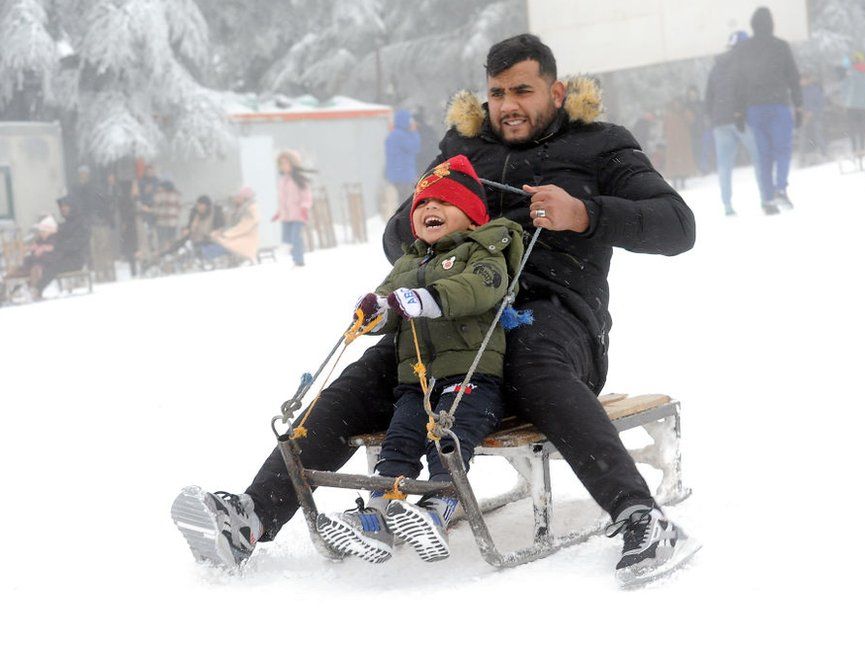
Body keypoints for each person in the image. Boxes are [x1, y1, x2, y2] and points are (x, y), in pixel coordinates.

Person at [172, 33, 696, 582]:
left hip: (555, 319)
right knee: (368, 374)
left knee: (531, 361)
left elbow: (677, 227)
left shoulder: (600, 144)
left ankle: (642, 518)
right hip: (453, 321)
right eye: (497, 93)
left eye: (523, 90)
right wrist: (441, 228)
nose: (508, 105)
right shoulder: (463, 150)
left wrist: (584, 213)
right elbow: (398, 234)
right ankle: (251, 518)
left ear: (557, 91)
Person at [316, 154, 523, 564]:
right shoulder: (408, 263)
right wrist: (376, 313)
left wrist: (431, 298)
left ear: (473, 215)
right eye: (423, 204)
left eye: (444, 203)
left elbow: (479, 289)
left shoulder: (485, 251)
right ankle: (374, 516)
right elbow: (389, 303)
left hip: (471, 378)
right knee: (399, 442)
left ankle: (439, 507)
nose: (431, 209)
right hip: (417, 383)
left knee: (447, 439)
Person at [732, 6, 803, 214]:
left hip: (755, 109)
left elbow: (738, 82)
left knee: (763, 155)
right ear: (771, 24)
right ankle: (780, 188)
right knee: (782, 149)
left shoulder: (744, 49)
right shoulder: (780, 46)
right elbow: (794, 78)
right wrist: (798, 106)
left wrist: (738, 111)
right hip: (778, 105)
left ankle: (767, 200)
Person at [705, 30, 763, 215]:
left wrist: (713, 117)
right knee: (759, 158)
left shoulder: (717, 66)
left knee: (724, 165)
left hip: (719, 120)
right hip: (741, 118)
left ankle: (727, 205)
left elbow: (708, 97)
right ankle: (766, 198)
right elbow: (751, 91)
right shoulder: (745, 62)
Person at [272, 150, 313, 267]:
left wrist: (304, 208)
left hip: (299, 214)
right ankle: (294, 257)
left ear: (293, 164)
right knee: (287, 240)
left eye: (286, 163)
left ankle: (299, 261)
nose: (284, 166)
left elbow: (307, 196)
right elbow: (282, 200)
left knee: (296, 237)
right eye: (281, 163)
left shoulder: (300, 180)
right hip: (286, 216)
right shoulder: (282, 181)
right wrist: (278, 213)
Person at [211, 187, 261, 263]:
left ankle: (216, 256)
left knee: (224, 243)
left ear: (244, 198)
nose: (234, 199)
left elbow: (244, 226)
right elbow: (230, 224)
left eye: (237, 197)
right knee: (216, 238)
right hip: (237, 236)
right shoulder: (237, 209)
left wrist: (227, 234)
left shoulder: (251, 208)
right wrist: (222, 231)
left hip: (247, 237)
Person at [385, 108, 422, 202]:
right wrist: (414, 132)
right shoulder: (401, 136)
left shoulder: (394, 135)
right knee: (406, 203)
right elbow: (415, 147)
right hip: (404, 175)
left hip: (396, 174)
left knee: (402, 201)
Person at [662, 97, 696, 190]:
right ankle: (675, 183)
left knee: (683, 162)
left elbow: (691, 120)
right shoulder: (669, 114)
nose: (677, 105)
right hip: (672, 142)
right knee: (673, 163)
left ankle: (683, 182)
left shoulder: (685, 112)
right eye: (675, 103)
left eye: (679, 103)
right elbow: (664, 127)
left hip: (683, 141)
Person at [798, 72, 829, 165]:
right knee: (802, 137)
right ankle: (802, 157)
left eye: (803, 80)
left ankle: (824, 153)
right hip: (804, 118)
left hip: (816, 117)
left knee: (818, 135)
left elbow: (821, 104)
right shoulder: (799, 92)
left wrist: (812, 112)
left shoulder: (815, 90)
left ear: (808, 80)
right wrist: (802, 113)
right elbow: (797, 105)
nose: (801, 82)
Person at [153, 180, 182, 253]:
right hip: (173, 222)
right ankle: (171, 255)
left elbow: (155, 208)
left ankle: (162, 256)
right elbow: (179, 208)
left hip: (161, 222)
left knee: (162, 242)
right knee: (172, 241)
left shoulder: (159, 194)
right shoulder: (177, 194)